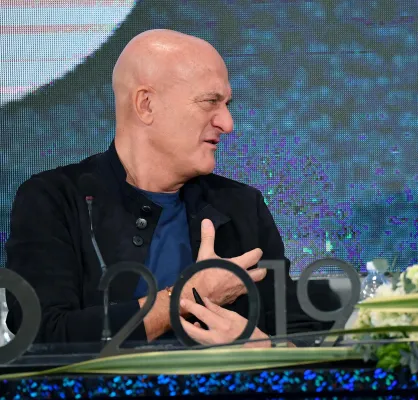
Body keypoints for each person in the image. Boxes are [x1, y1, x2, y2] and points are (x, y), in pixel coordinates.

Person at [5, 29, 326, 346]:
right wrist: (189, 296)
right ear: (146, 105)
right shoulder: (53, 199)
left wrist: (264, 349)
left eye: (227, 104)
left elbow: (299, 335)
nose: (227, 124)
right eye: (210, 102)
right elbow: (42, 334)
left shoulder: (242, 206)